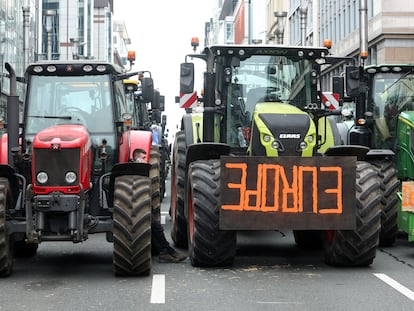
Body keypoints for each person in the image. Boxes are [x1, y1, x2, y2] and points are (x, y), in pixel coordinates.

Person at [132, 148, 187, 263]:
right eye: (142, 158)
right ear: (136, 158)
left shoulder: (141, 170)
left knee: (155, 227)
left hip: (142, 206)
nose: (144, 160)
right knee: (156, 227)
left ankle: (165, 251)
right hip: (135, 207)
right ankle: (167, 251)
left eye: (144, 158)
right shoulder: (133, 169)